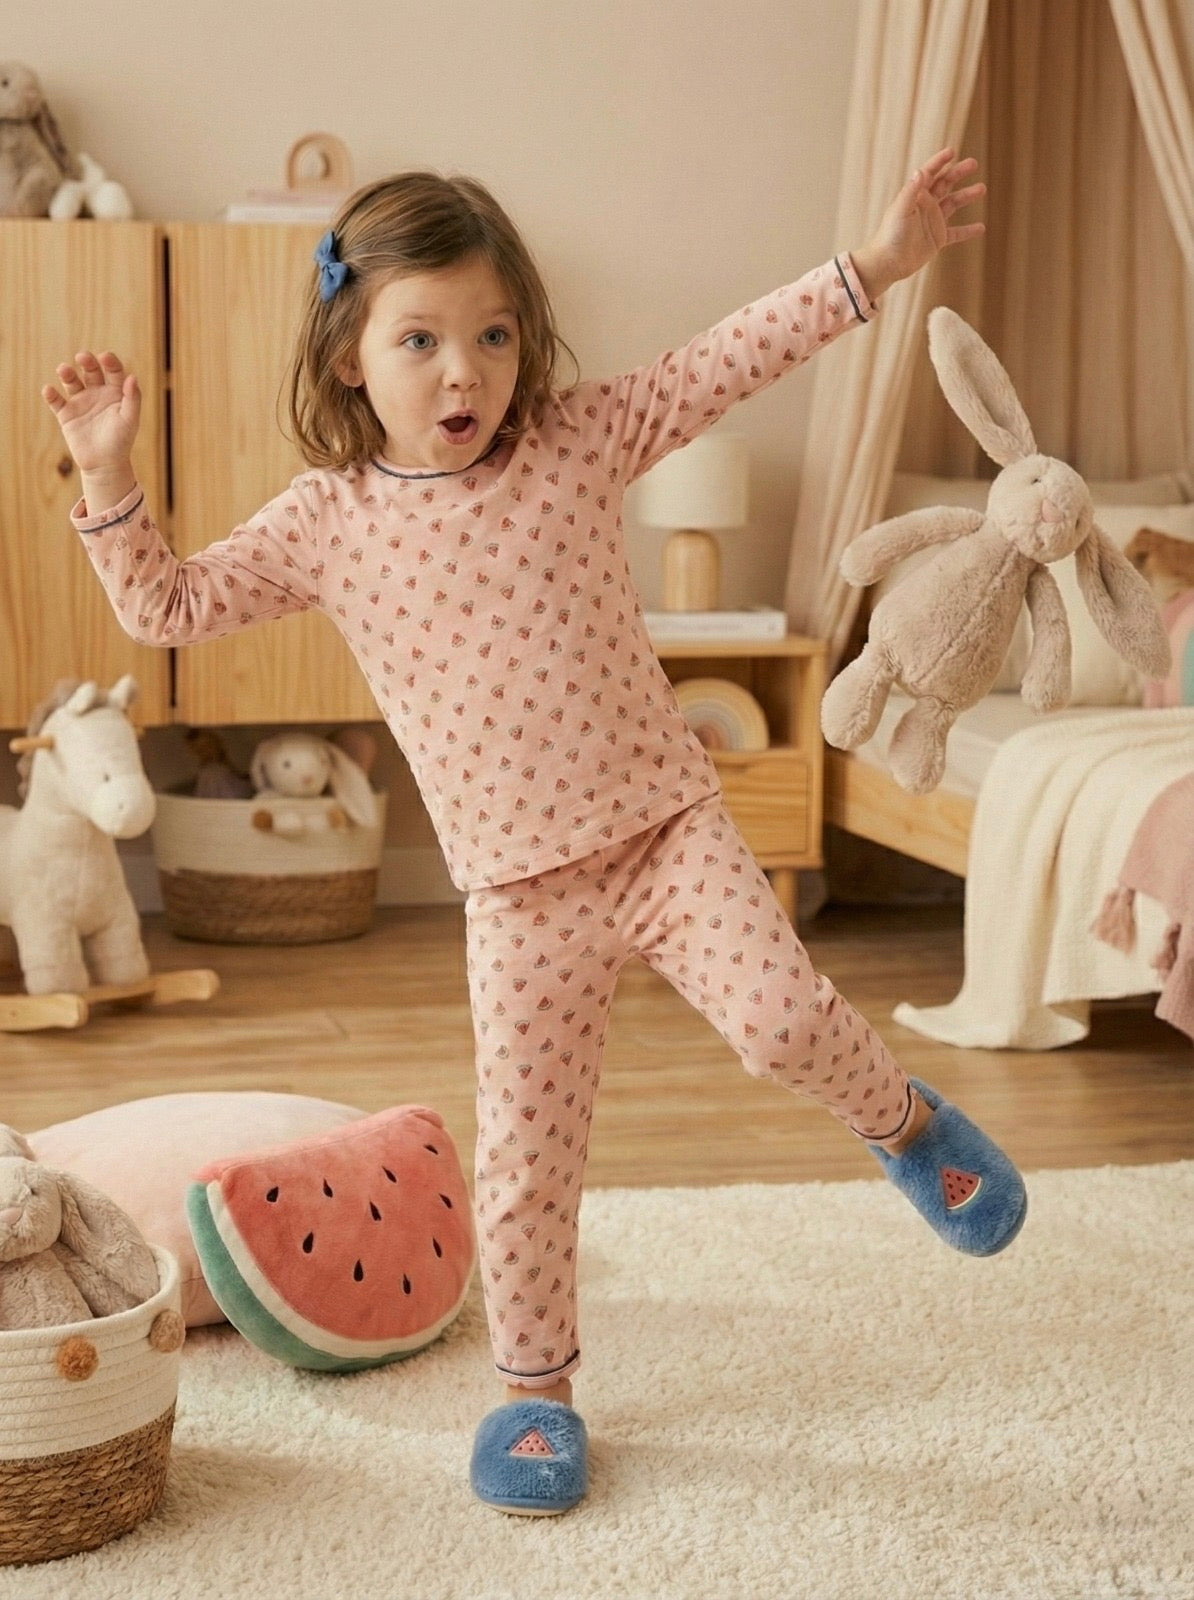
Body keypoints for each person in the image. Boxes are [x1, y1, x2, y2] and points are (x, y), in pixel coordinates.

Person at [44, 149, 1025, 1517]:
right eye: (421, 340)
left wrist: (877, 264)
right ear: (348, 357)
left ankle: (906, 1124)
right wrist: (108, 476)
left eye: (494, 336)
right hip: (517, 896)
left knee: (780, 1023)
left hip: (665, 832)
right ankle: (535, 1389)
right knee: (524, 1164)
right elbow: (169, 607)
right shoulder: (328, 520)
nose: (465, 373)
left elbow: (726, 359)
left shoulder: (574, 440)